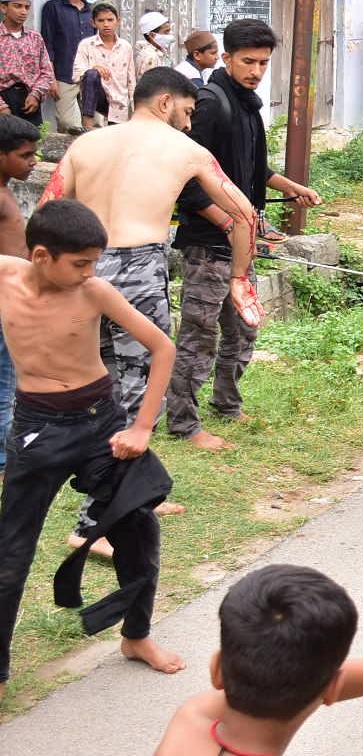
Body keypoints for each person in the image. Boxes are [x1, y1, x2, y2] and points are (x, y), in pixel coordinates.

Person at [45, 69, 259, 548]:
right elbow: (244, 212)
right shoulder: (185, 150)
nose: (188, 123)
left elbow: (48, 210)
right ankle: (93, 524)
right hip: (137, 272)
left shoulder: (86, 144)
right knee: (138, 394)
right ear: (165, 103)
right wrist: (239, 277)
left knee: (101, 386)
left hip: (83, 268)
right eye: (187, 111)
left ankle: (135, 490)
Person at [0, 199, 183, 698]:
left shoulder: (95, 291)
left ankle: (136, 636)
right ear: (41, 256)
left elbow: (162, 347)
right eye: (80, 263)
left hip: (101, 425)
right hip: (37, 429)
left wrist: (142, 428)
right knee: (12, 551)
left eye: (94, 262)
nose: (90, 272)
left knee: (139, 526)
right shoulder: (5, 277)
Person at [171, 21, 320, 451]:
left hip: (242, 244)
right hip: (208, 244)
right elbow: (185, 179)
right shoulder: (210, 103)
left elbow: (254, 169)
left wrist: (290, 187)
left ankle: (227, 404)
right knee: (199, 335)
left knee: (242, 330)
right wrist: (227, 221)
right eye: (248, 61)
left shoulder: (248, 104)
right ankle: (183, 422)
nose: (256, 71)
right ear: (226, 58)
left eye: (263, 63)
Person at [155, 564, 363, 756]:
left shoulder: (193, 719)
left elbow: (295, 674)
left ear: (217, 670)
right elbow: (309, 677)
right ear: (332, 689)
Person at [0, 116, 37, 477]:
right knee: (4, 384)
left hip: (13, 299)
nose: (33, 162)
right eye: (25, 155)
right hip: (4, 302)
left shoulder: (7, 190)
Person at [39, 0, 94, 132]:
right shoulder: (53, 8)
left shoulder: (92, 10)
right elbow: (47, 45)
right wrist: (51, 78)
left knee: (96, 125)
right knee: (68, 125)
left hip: (91, 76)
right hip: (64, 75)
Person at [72, 2, 137, 125]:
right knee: (91, 74)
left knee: (116, 135)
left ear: (118, 21)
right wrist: (93, 68)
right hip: (97, 99)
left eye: (110, 20)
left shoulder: (126, 47)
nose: (106, 24)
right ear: (93, 23)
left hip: (119, 102)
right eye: (101, 20)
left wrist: (134, 108)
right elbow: (76, 75)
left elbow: (131, 80)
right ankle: (87, 125)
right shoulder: (86, 45)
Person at [0, 0, 54, 125]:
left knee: (34, 137)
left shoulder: (35, 37)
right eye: (17, 6)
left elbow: (46, 71)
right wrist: (2, 106)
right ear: (4, 8)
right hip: (4, 97)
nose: (23, 11)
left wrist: (36, 95)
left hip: (29, 101)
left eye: (27, 7)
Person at [136, 11, 174, 77]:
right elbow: (150, 82)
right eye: (166, 31)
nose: (170, 35)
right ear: (152, 35)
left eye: (169, 31)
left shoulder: (160, 53)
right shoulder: (150, 57)